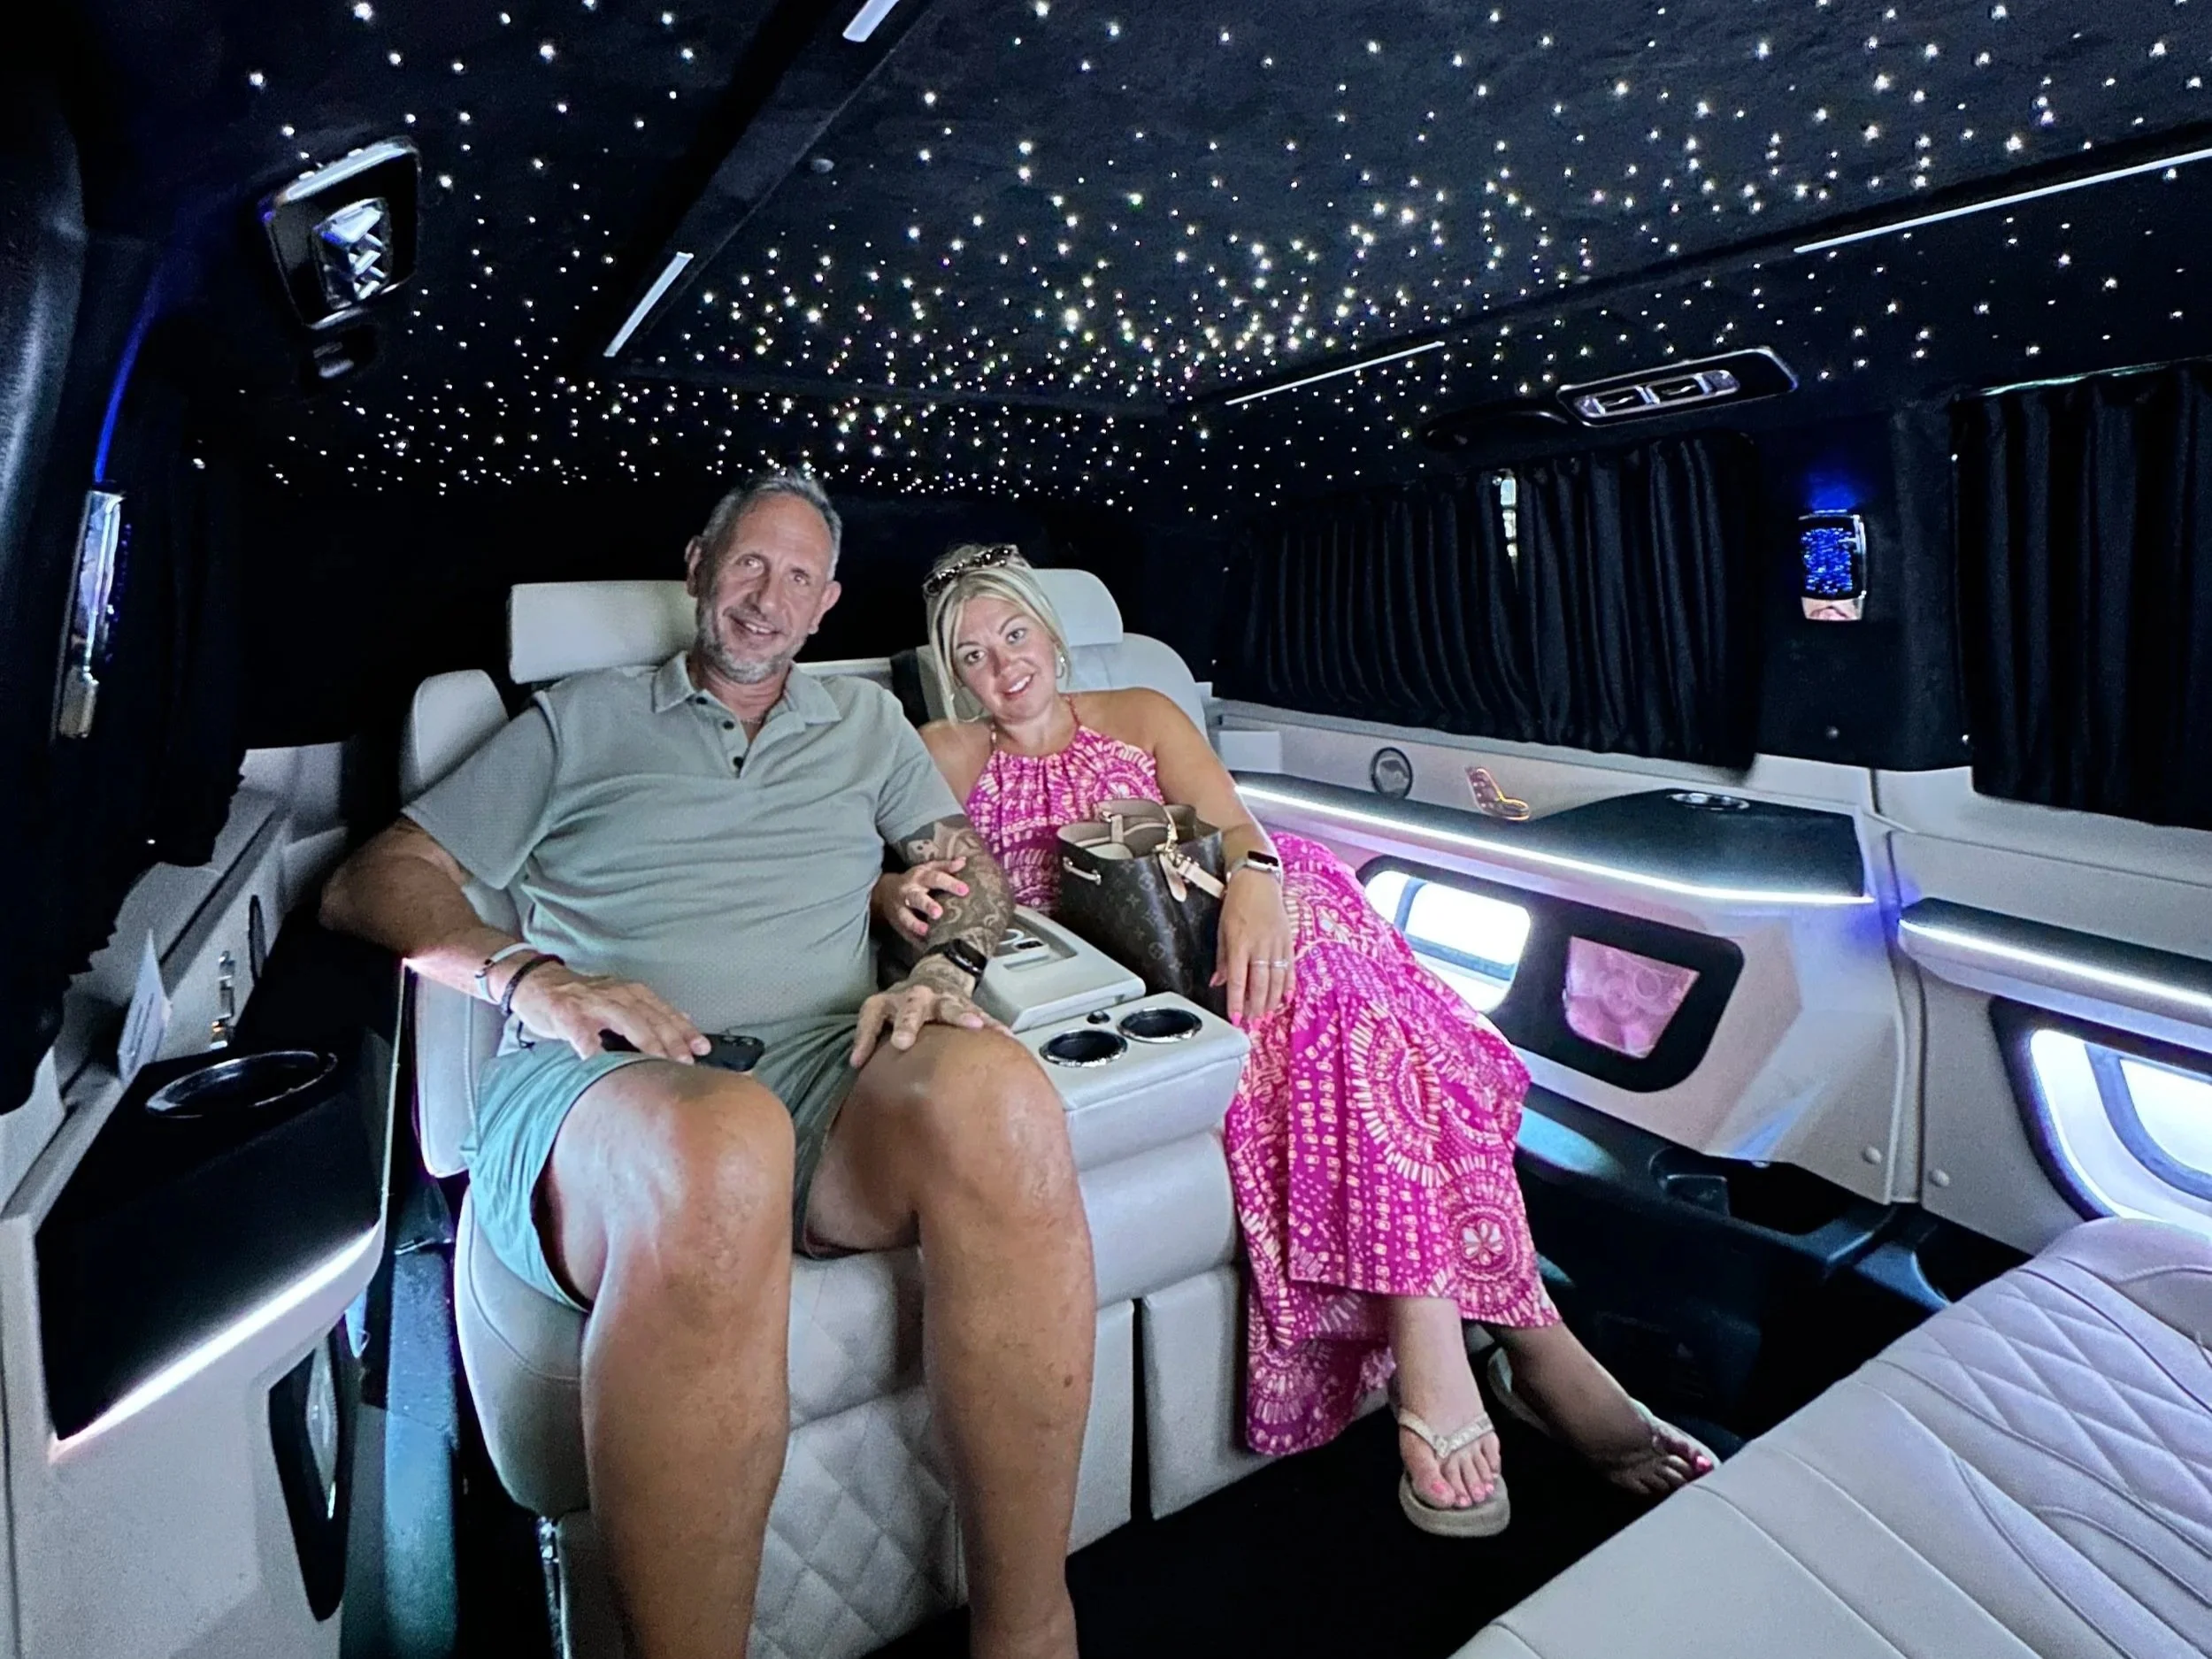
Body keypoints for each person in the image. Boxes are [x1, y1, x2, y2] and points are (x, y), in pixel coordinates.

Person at [320, 481, 1094, 1659]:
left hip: (821, 1069)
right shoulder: (578, 718)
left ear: (827, 603)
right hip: (603, 1083)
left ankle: (1028, 1630)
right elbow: (377, 879)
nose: (766, 596)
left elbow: (969, 872)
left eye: (797, 577)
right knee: (720, 1139)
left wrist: (948, 966)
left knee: (1006, 1097)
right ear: (699, 565)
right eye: (748, 564)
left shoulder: (867, 731)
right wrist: (531, 974)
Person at [883, 543, 1715, 1537]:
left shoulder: (1140, 714)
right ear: (951, 674)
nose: (1002, 667)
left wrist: (1257, 888)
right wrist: (890, 890)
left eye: (1014, 635)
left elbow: (1238, 831)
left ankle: (1441, 1350)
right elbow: (867, 864)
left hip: (1255, 915)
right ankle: (1528, 1345)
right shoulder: (939, 753)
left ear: (1052, 640)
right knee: (1380, 1045)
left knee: (1328, 991)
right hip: (1131, 973)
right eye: (971, 655)